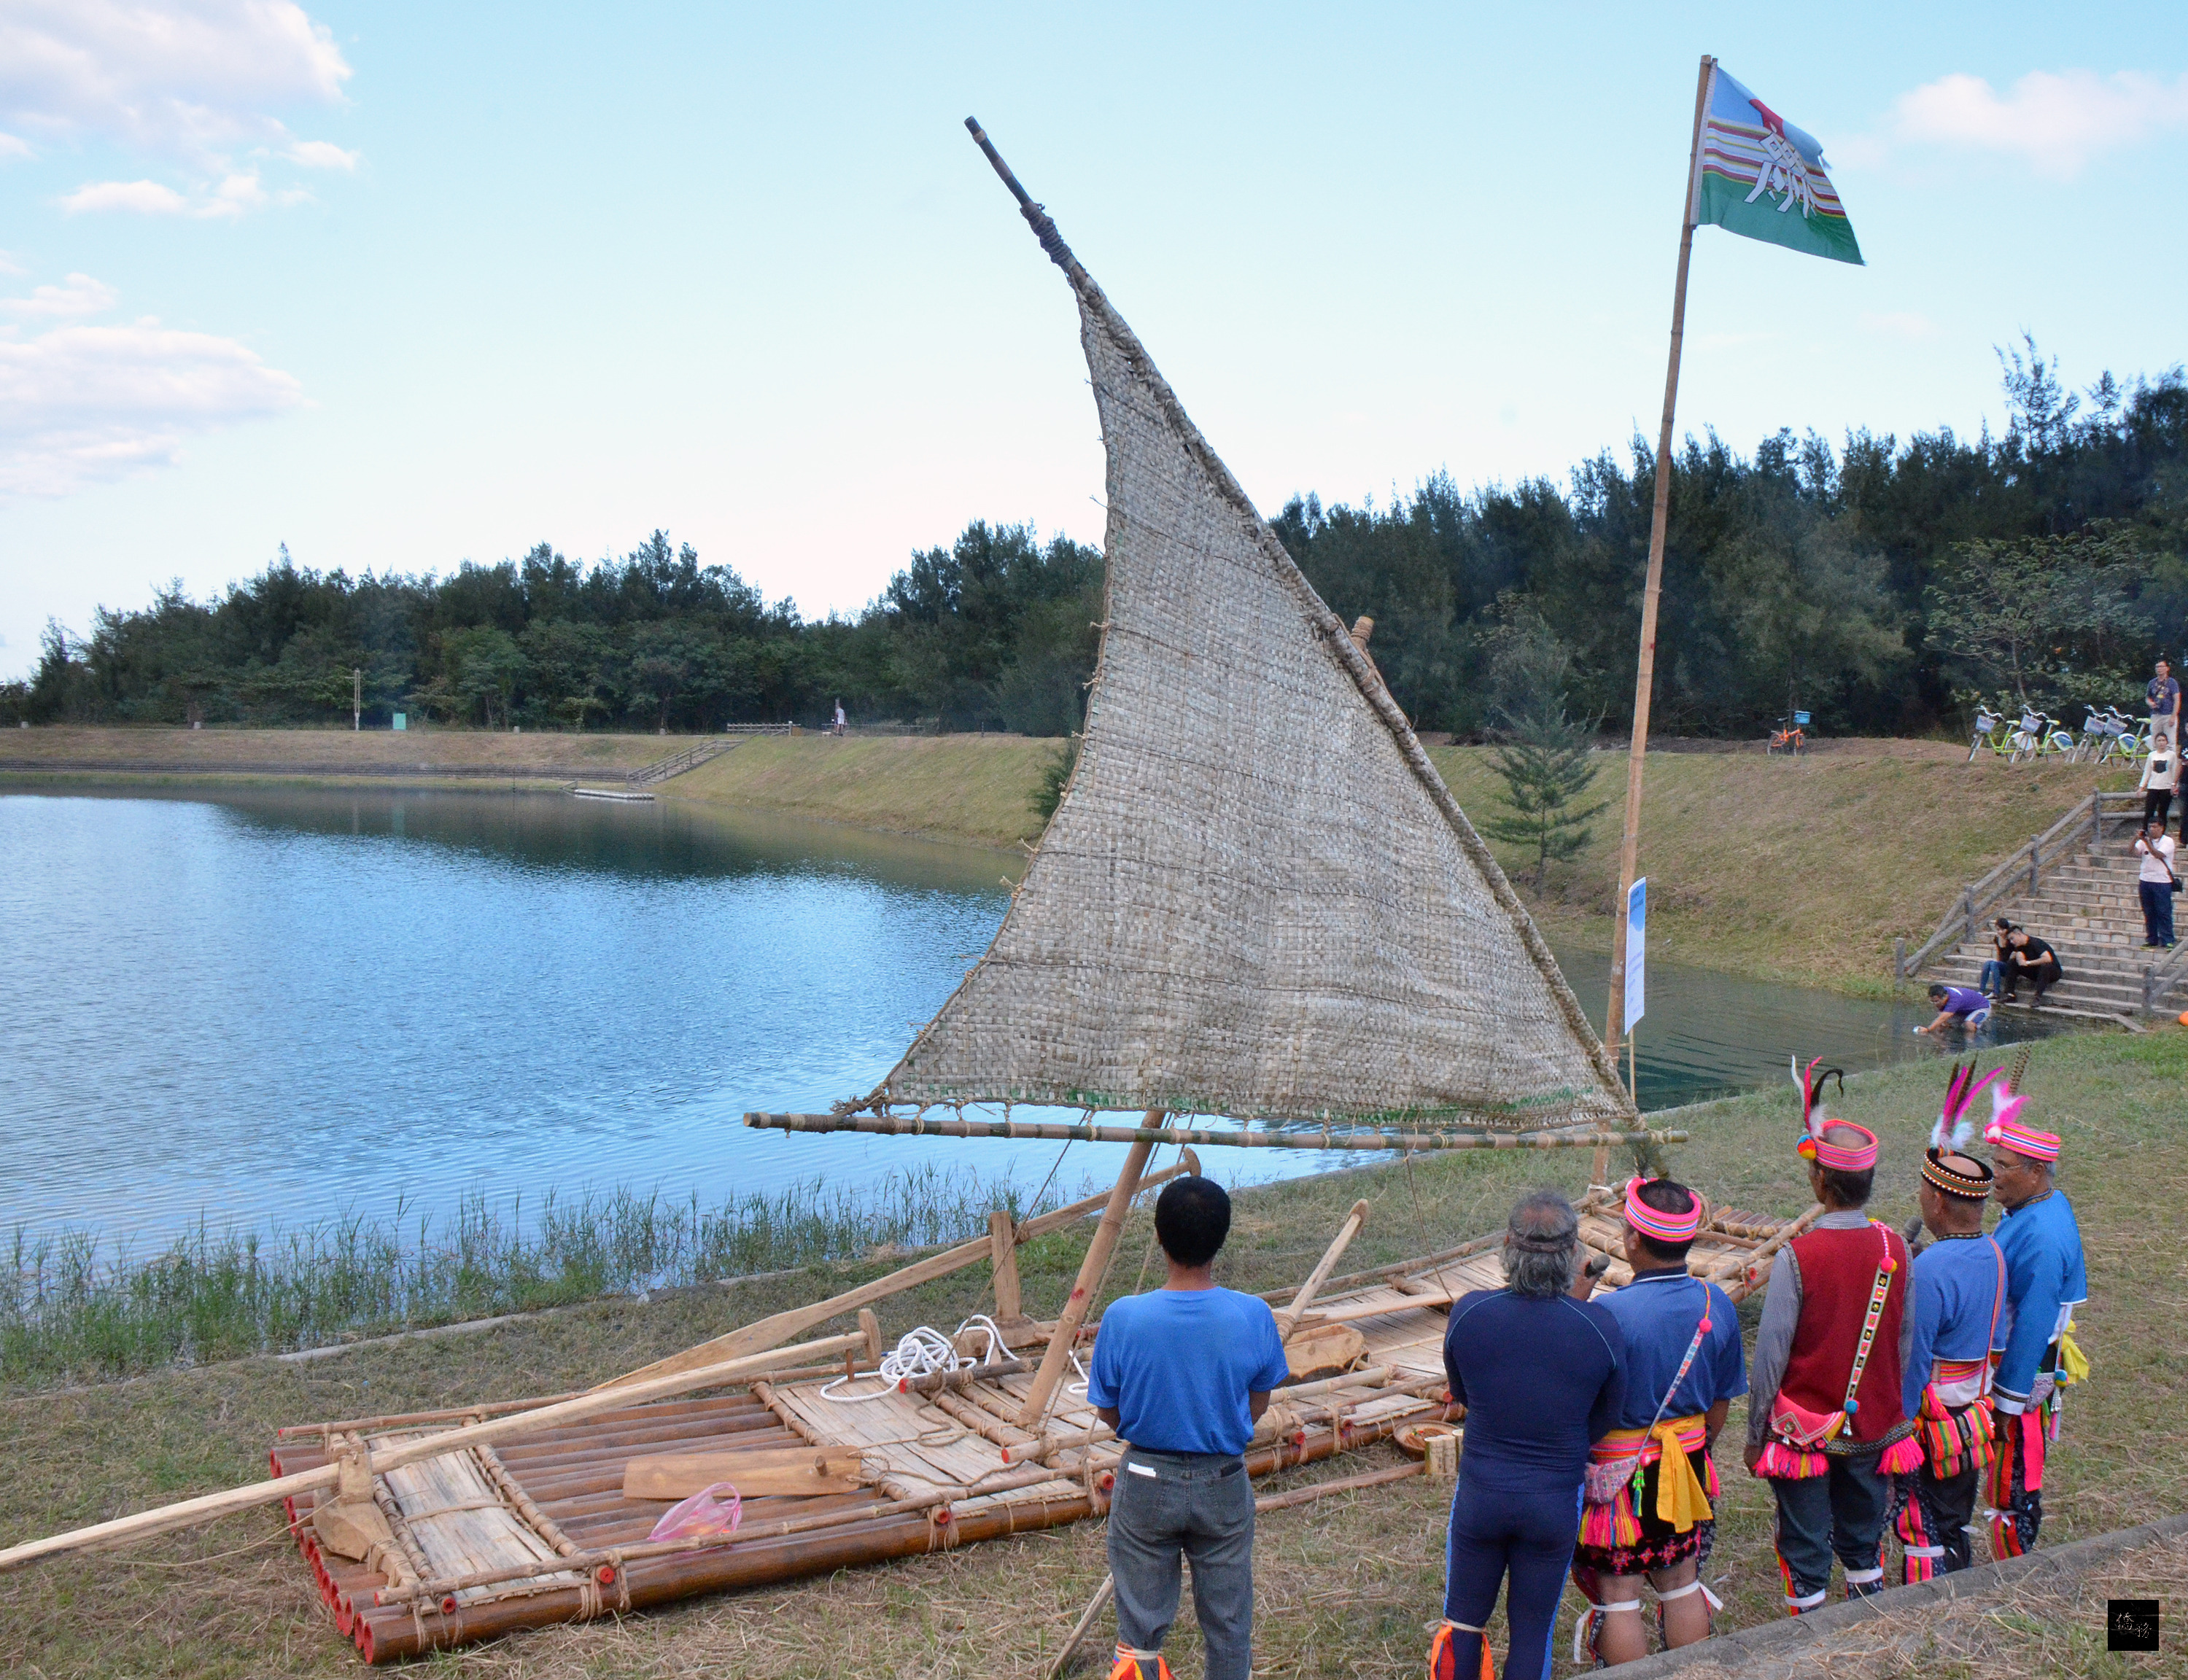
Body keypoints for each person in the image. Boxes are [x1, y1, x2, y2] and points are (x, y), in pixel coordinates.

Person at [1086, 1177, 1291, 1680]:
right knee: (1228, 1626)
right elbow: (1258, 1403)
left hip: (1146, 1480)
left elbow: (1108, 1412)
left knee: (1138, 1634)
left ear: (1158, 1237)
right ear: (1222, 1238)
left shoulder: (1123, 1317)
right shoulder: (1253, 1314)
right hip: (1223, 1480)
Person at [1744, 1060, 1920, 1612]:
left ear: (1820, 1181)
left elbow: (1771, 1356)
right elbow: (1905, 1343)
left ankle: (1811, 1629)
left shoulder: (1799, 1256)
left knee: (1804, 1537)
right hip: (1874, 1427)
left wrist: (1756, 1435)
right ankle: (1868, 1616)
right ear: (1867, 1183)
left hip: (1804, 1433)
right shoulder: (1897, 1249)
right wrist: (1894, 1411)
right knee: (1863, 1533)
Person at [1429, 1190, 1625, 1680]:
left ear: (1505, 1249)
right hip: (1553, 1499)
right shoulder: (1600, 1326)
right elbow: (1605, 1416)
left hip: (1482, 1494)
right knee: (1533, 1630)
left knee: (1464, 1625)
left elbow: (1463, 1392)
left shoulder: (1469, 1313)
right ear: (1576, 1256)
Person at [1570, 1178, 1747, 1665]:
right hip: (1685, 1469)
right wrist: (1695, 1448)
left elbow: (1581, 1401)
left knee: (1619, 1593)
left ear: (1631, 1239)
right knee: (1680, 1580)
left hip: (1619, 1480)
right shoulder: (1717, 1305)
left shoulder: (1608, 1313)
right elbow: (1721, 1402)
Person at [1888, 1065, 2008, 1582]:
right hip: (1974, 1414)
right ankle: (1960, 1579)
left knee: (1921, 1521)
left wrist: (1897, 1423)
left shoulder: (1933, 1267)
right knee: (1954, 1515)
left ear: (1937, 1201)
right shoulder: (1996, 1254)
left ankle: (1925, 1601)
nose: (1920, 1199)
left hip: (1933, 1420)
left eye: (1921, 1192)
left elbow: (1915, 1357)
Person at [1984, 1079, 2090, 1559]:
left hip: (2024, 1374)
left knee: (2014, 1478)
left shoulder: (2043, 1237)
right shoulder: (2034, 1207)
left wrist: (2007, 1403)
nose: (1994, 1176)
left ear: (2034, 1171)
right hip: (2020, 1365)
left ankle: (2014, 1571)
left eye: (2004, 1167)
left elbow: (2032, 1325)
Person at [2135, 818, 2179, 949]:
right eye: (2150, 827)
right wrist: (2135, 839)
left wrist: (2147, 842)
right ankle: (2152, 939)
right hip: (2146, 880)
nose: (2152, 829)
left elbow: (2158, 854)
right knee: (2149, 911)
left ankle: (2168, 939)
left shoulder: (2168, 841)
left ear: (2162, 828)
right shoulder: (2144, 841)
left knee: (2163, 911)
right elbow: (2132, 852)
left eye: (2155, 827)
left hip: (2162, 882)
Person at [1998, 928, 2062, 1006]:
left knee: (2045, 966)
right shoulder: (2019, 946)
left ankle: (2038, 997)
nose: (2011, 942)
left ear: (2019, 934)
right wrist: (2018, 957)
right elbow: (2016, 958)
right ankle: (2010, 994)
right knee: (2012, 963)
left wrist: (2028, 963)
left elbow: (2047, 958)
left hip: (2053, 972)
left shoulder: (2035, 943)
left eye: (2012, 938)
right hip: (2036, 971)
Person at [1916, 983, 1990, 1035]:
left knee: (1969, 1023)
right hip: (1963, 1009)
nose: (1935, 1004)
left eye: (1937, 1001)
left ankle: (1971, 1044)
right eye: (1932, 1002)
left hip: (1981, 1007)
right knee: (1941, 1024)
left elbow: (1942, 1018)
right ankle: (1941, 1044)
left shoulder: (1954, 1000)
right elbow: (1941, 1019)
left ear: (1945, 997)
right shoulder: (1942, 992)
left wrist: (1928, 1030)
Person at [2138, 738, 2178, 832]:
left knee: (2163, 812)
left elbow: (2175, 771)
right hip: (2153, 787)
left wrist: (2175, 785)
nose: (2161, 743)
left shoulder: (2172, 755)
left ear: (2167, 743)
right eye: (2159, 741)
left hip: (2166, 787)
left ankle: (2162, 833)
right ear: (2155, 743)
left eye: (2163, 741)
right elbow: (2147, 772)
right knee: (2149, 811)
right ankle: (2145, 832)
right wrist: (2142, 786)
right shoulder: (2151, 755)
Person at [1979, 917, 2015, 1000]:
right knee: (1988, 963)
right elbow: (1999, 953)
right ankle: (1981, 991)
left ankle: (1996, 992)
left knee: (1994, 964)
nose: (2000, 932)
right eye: (1998, 930)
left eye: (2002, 930)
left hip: (2010, 966)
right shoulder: (1997, 939)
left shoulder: (2011, 939)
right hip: (2001, 965)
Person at [2147, 657, 2181, 734]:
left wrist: (2173, 716)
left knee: (2170, 741)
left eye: (2161, 667)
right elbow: (2148, 697)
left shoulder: (2172, 682)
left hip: (2168, 715)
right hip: (2155, 714)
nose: (2159, 669)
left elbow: (2177, 700)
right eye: (2157, 667)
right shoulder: (2152, 683)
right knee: (2155, 739)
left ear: (2167, 668)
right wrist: (2150, 703)